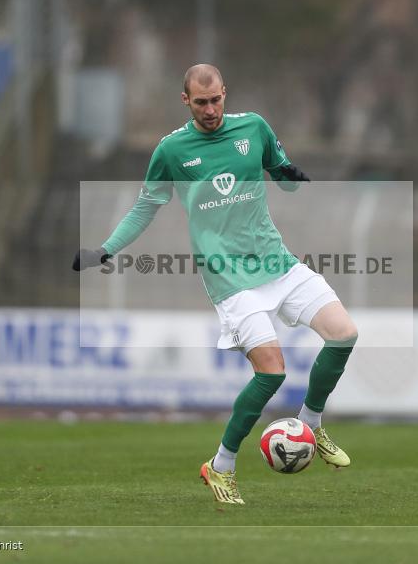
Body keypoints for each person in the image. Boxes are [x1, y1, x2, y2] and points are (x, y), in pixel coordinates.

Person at [73, 64, 359, 505]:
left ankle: (312, 423)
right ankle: (221, 465)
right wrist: (105, 250)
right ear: (185, 101)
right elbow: (144, 207)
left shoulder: (254, 128)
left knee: (344, 334)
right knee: (273, 372)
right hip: (228, 275)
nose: (210, 110)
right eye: (201, 102)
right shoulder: (172, 150)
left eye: (216, 100)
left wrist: (290, 176)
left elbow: (283, 176)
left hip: (276, 261)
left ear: (226, 93)